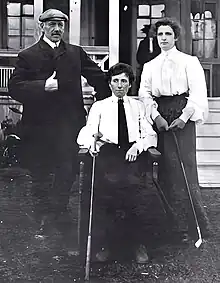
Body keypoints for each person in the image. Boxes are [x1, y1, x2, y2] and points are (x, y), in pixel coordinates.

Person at [8, 9, 111, 250]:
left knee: (68, 170)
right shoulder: (28, 55)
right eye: (52, 24)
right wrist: (43, 85)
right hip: (39, 126)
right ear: (41, 27)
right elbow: (15, 87)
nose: (57, 29)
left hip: (69, 125)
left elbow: (98, 77)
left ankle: (59, 211)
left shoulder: (75, 53)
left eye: (61, 25)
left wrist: (106, 104)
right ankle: (44, 219)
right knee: (41, 173)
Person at [138, 17, 210, 243]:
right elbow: (145, 94)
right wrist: (155, 116)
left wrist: (184, 117)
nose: (163, 39)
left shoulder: (189, 62)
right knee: (166, 171)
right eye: (160, 35)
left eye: (168, 34)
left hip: (182, 114)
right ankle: (171, 227)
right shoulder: (150, 66)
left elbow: (198, 92)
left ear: (176, 37)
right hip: (161, 115)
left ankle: (196, 226)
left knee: (185, 169)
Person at [77, 63, 157, 263]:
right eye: (116, 81)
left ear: (130, 84)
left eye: (124, 81)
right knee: (107, 196)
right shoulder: (100, 106)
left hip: (131, 154)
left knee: (135, 195)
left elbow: (150, 134)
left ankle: (137, 244)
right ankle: (107, 244)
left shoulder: (137, 106)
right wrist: (92, 144)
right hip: (108, 154)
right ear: (110, 83)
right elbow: (87, 132)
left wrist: (137, 146)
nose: (120, 85)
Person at [136, 25, 160, 91]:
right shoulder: (143, 43)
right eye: (152, 30)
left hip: (157, 67)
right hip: (145, 66)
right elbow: (139, 56)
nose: (154, 32)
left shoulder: (159, 43)